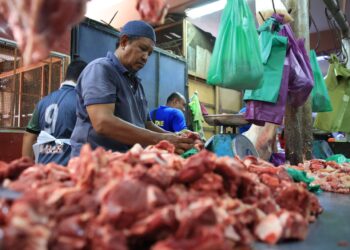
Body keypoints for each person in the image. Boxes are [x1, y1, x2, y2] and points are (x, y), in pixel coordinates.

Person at [70, 20, 195, 156]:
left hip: (123, 161)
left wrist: (177, 138)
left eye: (149, 53)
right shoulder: (101, 69)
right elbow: (103, 122)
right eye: (142, 48)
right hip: (93, 163)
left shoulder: (135, 83)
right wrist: (163, 139)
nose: (146, 57)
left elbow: (146, 124)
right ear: (124, 42)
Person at [22, 60, 87, 165]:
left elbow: (29, 136)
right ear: (84, 78)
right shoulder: (81, 102)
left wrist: (27, 168)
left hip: (42, 166)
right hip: (66, 169)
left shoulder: (43, 102)